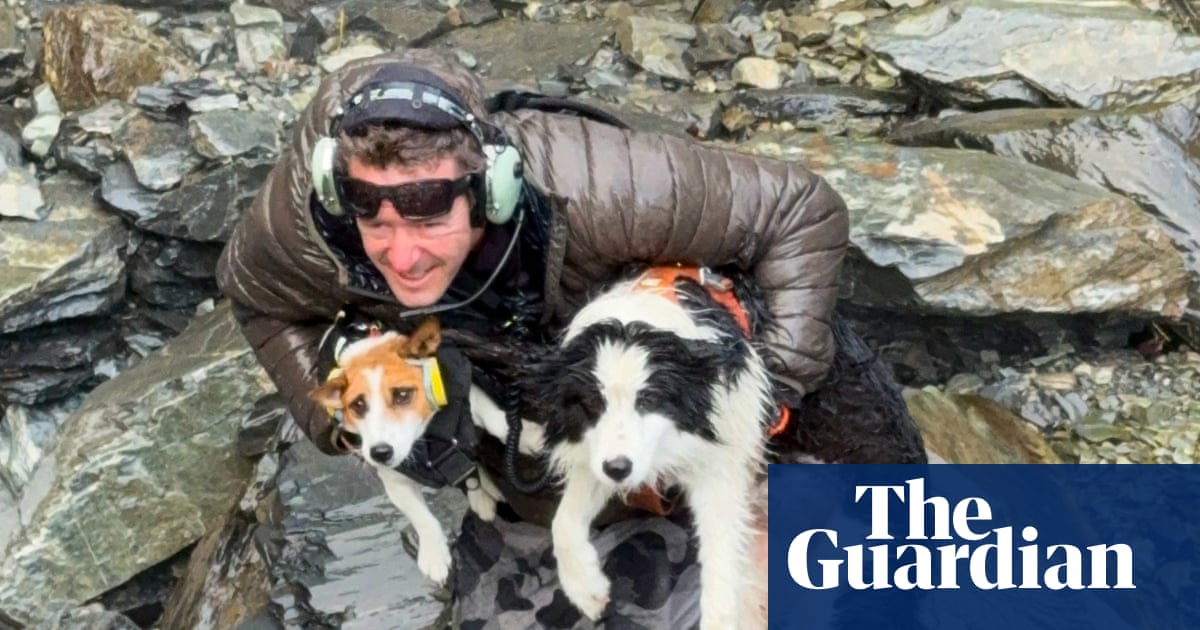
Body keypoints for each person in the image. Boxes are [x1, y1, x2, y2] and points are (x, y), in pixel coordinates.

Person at [216, 48, 926, 629]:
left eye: (430, 221)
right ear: (341, 195)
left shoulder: (602, 183)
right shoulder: (301, 226)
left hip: (709, 354)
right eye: (378, 224)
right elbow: (256, 301)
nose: (401, 257)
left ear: (488, 188)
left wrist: (773, 381)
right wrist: (335, 420)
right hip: (549, 408)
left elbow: (802, 208)